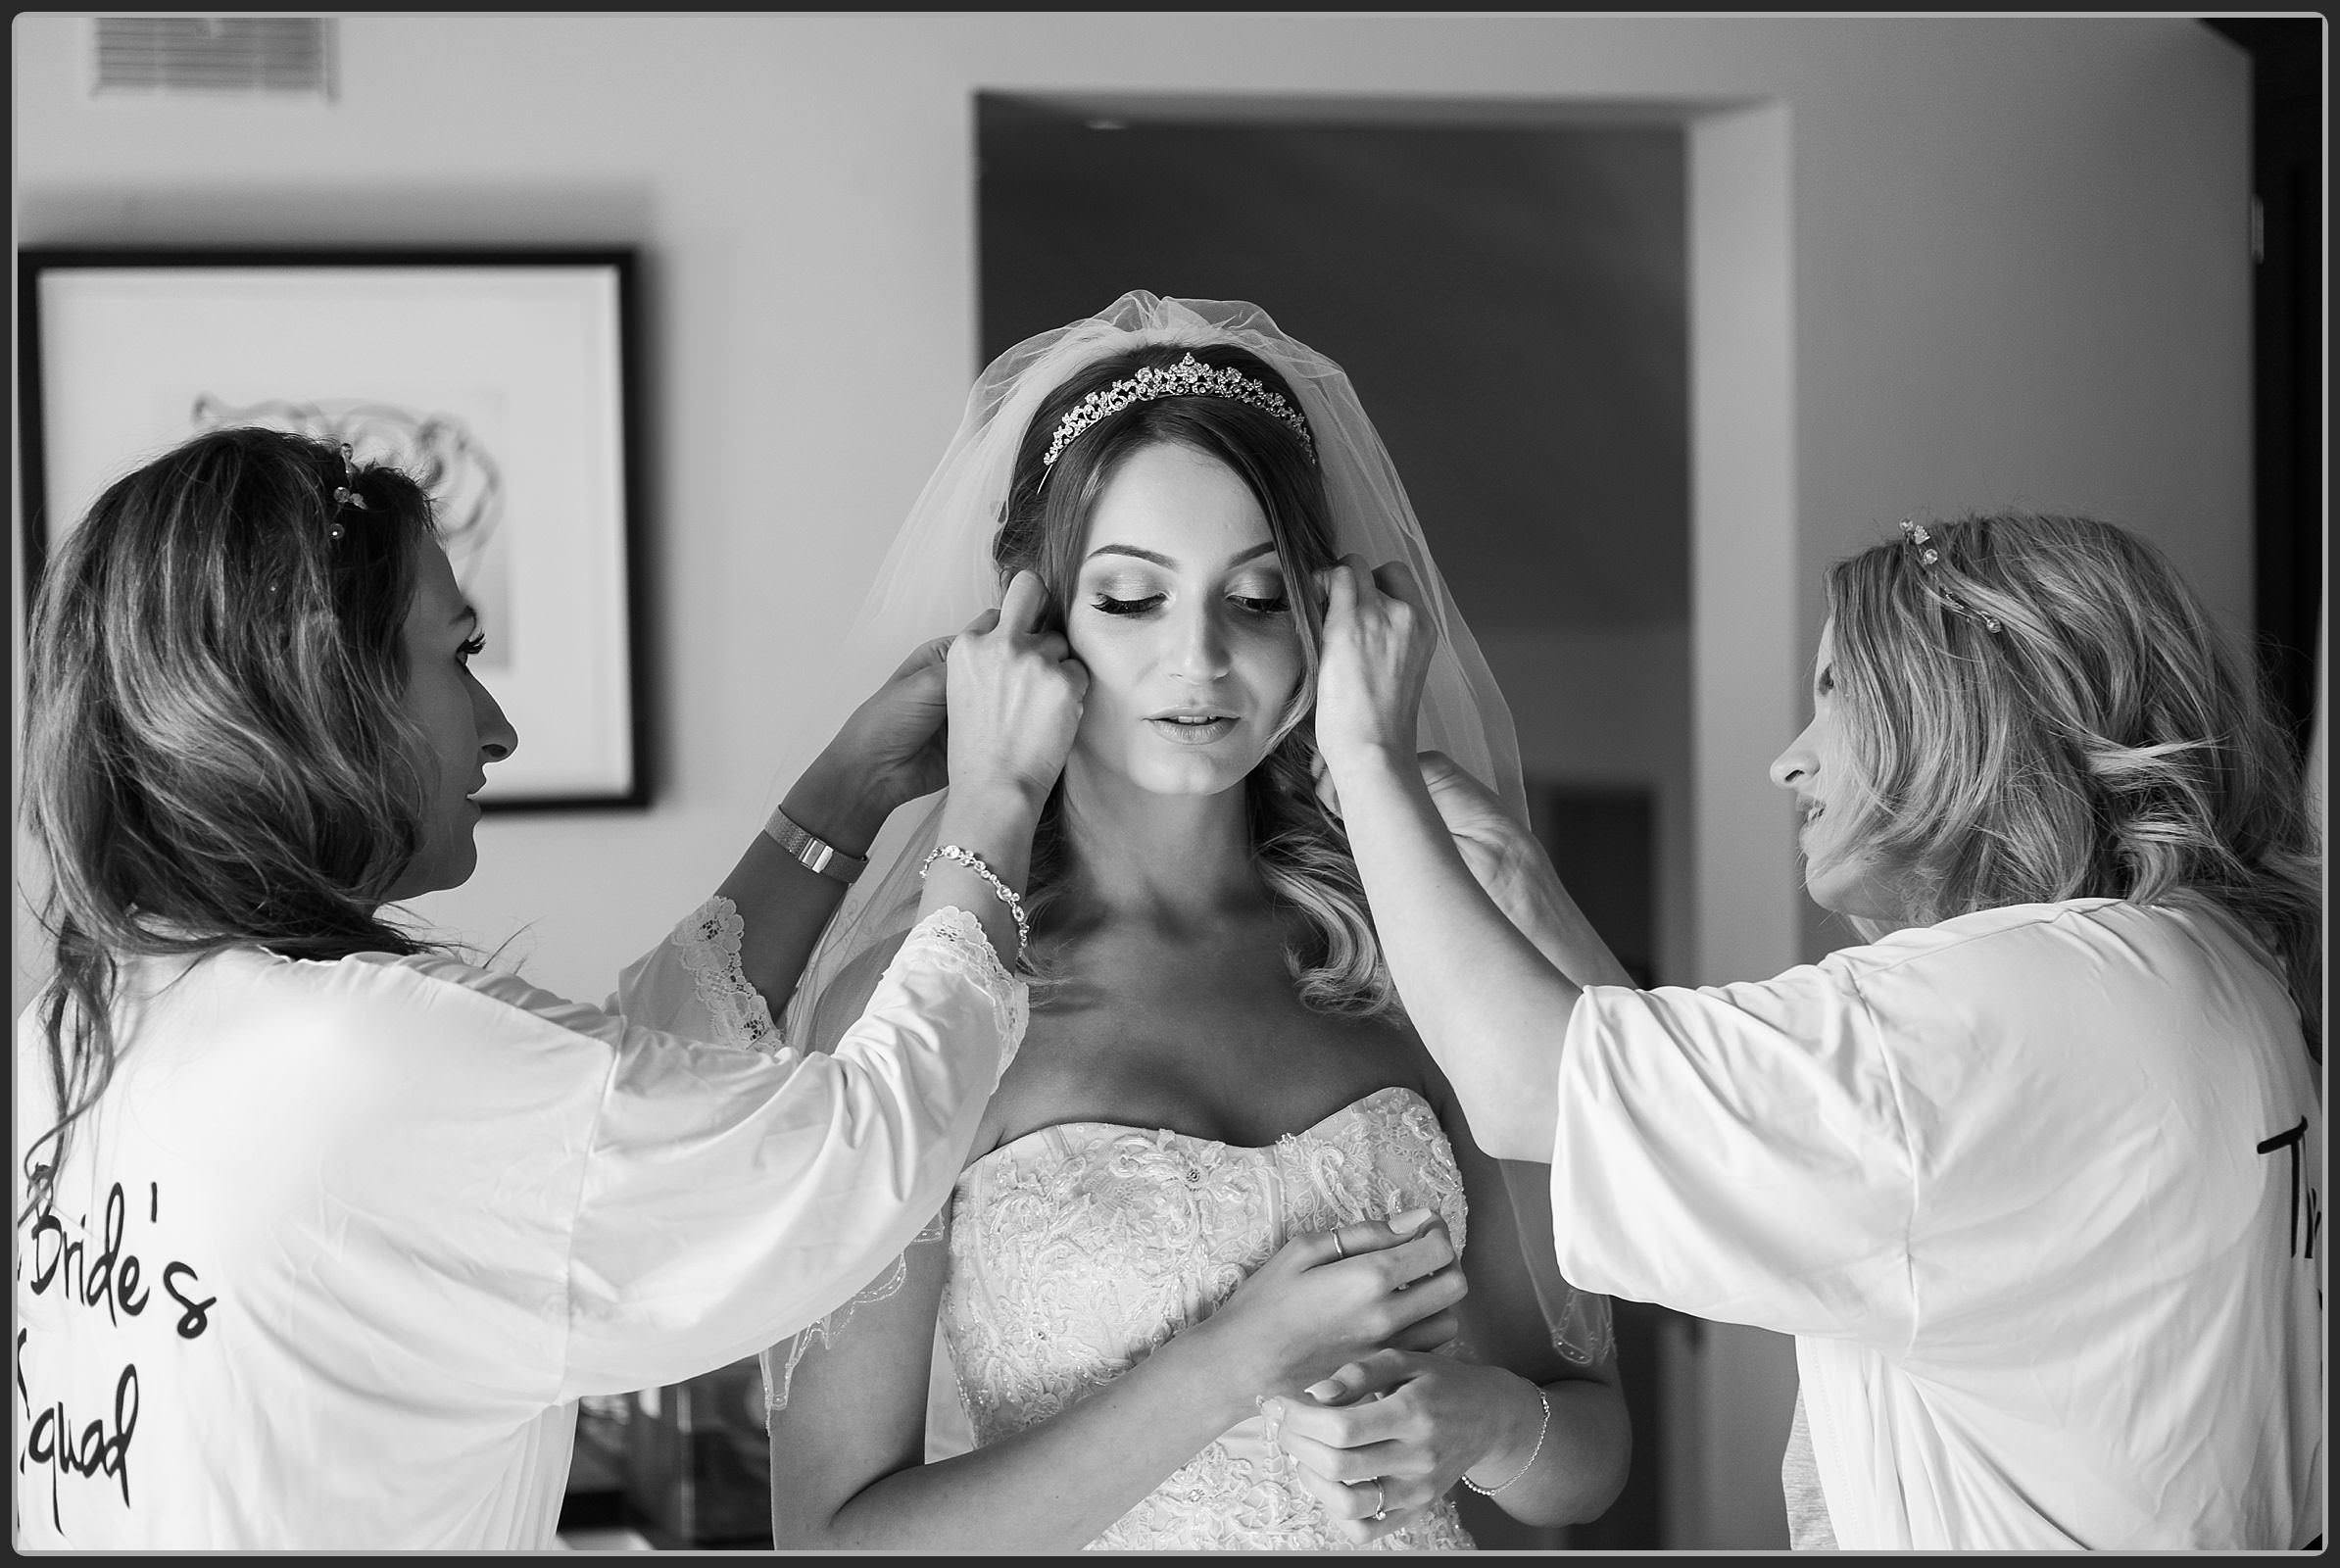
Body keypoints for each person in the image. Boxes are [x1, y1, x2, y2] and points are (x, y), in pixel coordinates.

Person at [11, 425, 1088, 1549]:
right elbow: (851, 1163)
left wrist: (851, 788)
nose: (499, 727)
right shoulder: (361, 1064)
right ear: (320, 690)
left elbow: (573, 1155)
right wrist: (997, 795)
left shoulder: (90, 1021)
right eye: (459, 654)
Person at [759, 293, 1631, 1552]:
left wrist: (1487, 1425)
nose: (1203, 658)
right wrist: (1230, 1365)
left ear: (1324, 621)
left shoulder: (1415, 956)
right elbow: (833, 1542)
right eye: (1130, 599)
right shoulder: (921, 1006)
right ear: (1031, 624)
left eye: (1260, 597)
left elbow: (1590, 1448)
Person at [1308, 512, 2323, 1550]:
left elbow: (1529, 1091)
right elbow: (1716, 1128)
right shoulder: (2202, 966)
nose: (1787, 763)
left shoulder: (1976, 1016)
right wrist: (1518, 878)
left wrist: (1368, 754)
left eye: (1836, 694)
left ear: (1962, 700)